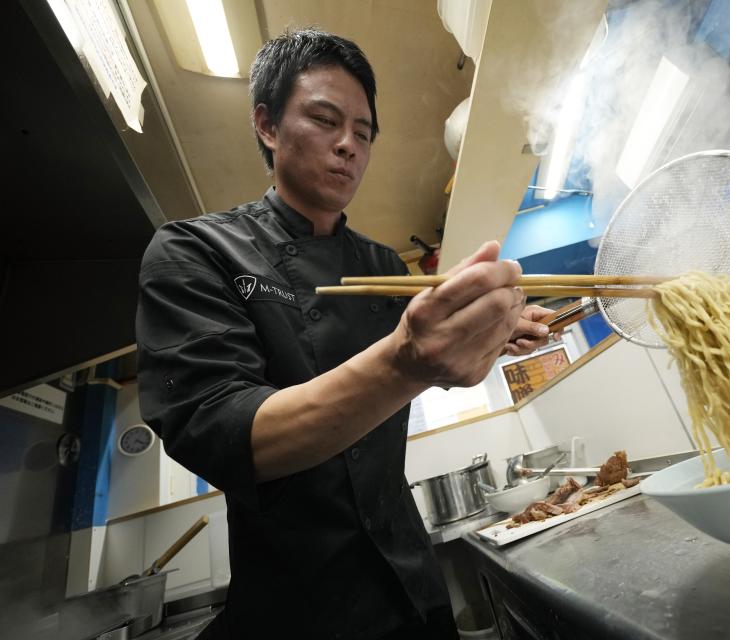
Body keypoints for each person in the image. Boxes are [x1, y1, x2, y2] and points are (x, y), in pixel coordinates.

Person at [136, 29, 553, 639]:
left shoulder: (385, 269)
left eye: (363, 133)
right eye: (325, 121)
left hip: (413, 591)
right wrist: (408, 362)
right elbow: (224, 434)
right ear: (268, 125)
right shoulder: (195, 252)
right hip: (298, 610)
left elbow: (423, 374)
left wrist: (482, 340)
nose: (347, 146)